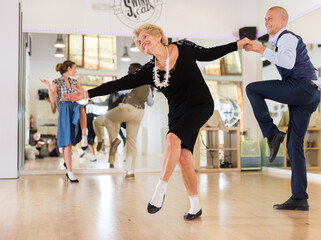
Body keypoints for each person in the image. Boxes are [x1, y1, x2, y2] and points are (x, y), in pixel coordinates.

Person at [62, 23, 250, 220]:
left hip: (200, 104)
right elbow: (119, 83)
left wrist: (238, 44)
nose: (142, 43)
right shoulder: (149, 70)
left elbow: (210, 53)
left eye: (144, 37)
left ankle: (160, 189)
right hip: (177, 112)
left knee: (171, 139)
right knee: (184, 157)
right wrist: (86, 93)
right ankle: (195, 206)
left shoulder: (183, 48)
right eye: (139, 42)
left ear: (158, 35)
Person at [245, 6, 321, 211]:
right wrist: (261, 49)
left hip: (302, 88)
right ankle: (299, 197)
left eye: (270, 18)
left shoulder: (287, 37)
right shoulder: (279, 41)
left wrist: (260, 50)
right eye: (265, 18)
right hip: (308, 94)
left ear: (283, 20)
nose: (267, 22)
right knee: (294, 145)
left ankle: (272, 134)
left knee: (252, 89)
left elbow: (288, 63)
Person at [40, 60, 88, 183]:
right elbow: (53, 99)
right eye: (74, 68)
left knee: (81, 108)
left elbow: (84, 93)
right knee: (67, 142)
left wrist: (86, 95)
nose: (76, 70)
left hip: (74, 106)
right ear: (68, 68)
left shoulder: (74, 81)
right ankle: (70, 172)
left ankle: (84, 137)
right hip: (65, 109)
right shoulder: (56, 81)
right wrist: (48, 87)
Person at [105, 63, 154, 175]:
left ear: (136, 70)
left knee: (107, 117)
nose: (128, 72)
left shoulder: (132, 80)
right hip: (140, 112)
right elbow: (151, 103)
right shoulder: (148, 86)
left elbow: (120, 91)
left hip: (129, 109)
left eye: (129, 70)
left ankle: (114, 140)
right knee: (132, 142)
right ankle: (130, 171)